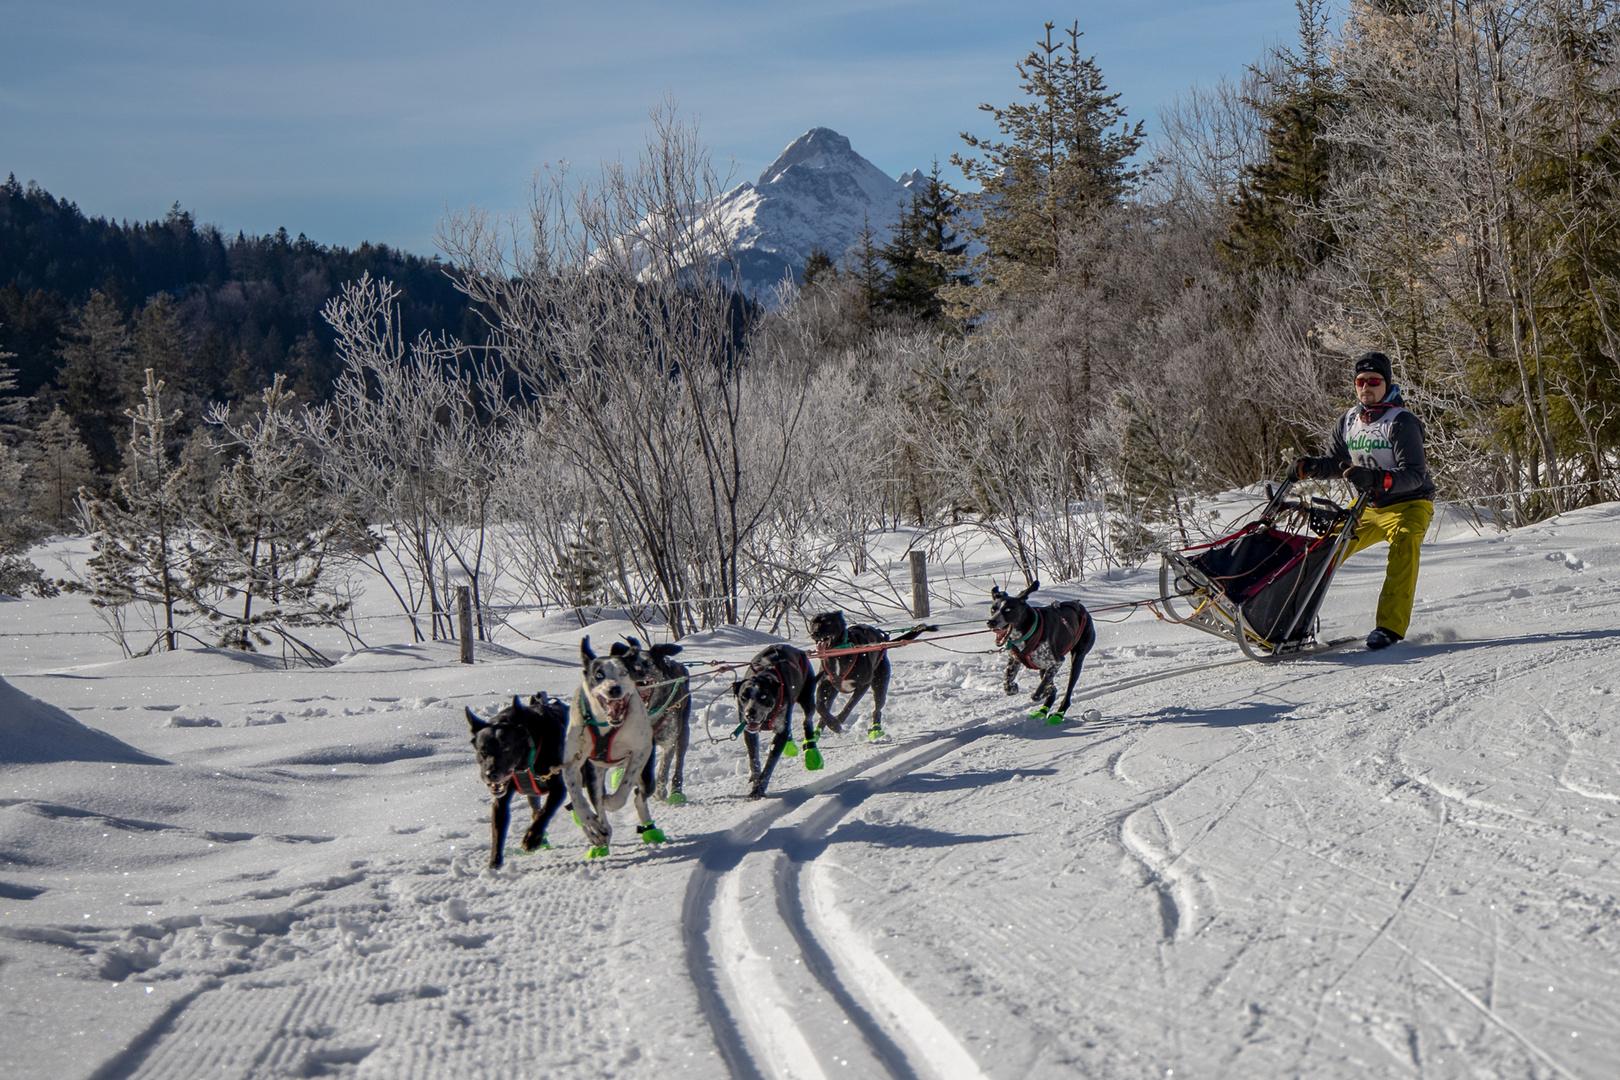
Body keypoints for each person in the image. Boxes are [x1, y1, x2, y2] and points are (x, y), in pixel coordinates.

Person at [1293, 351, 1436, 651]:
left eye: (1374, 381)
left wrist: (1376, 479)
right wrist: (1312, 467)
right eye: (1360, 381)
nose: (1366, 387)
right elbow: (1337, 462)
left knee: (1404, 545)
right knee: (1324, 550)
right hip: (1368, 508)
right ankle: (1292, 621)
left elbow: (1415, 474)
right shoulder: (1348, 421)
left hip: (1409, 505)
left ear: (1387, 384)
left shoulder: (1401, 422)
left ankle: (1390, 627)